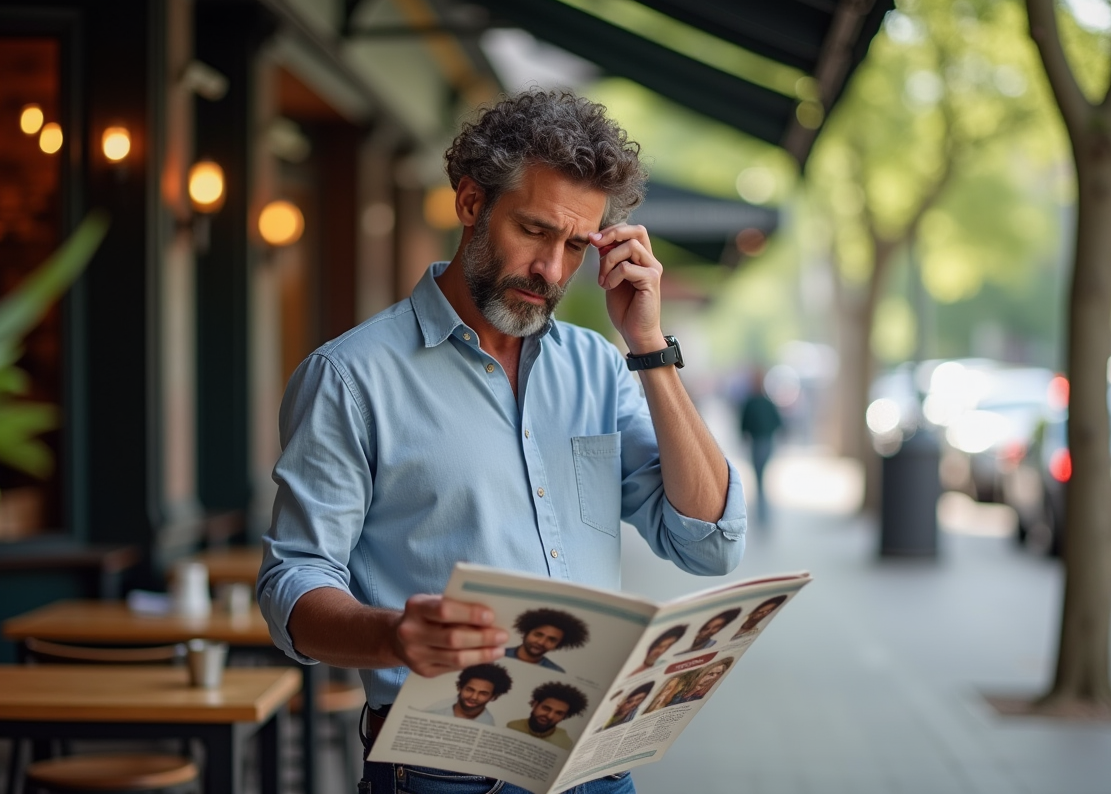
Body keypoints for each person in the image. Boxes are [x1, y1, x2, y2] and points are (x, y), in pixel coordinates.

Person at [258, 89, 748, 794]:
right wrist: (393, 635)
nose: (551, 270)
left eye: (577, 245)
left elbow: (708, 541)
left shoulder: (602, 367)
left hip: (595, 764)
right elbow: (291, 583)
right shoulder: (349, 377)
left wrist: (646, 345)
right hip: (442, 772)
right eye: (534, 230)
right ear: (469, 203)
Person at [739, 368, 782, 526]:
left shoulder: (763, 402)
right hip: (758, 443)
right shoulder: (753, 402)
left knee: (760, 477)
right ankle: (762, 513)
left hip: (764, 443)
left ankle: (763, 513)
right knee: (759, 478)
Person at [420, 663, 513, 725]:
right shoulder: (430, 714)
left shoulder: (490, 726)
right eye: (470, 690)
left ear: (493, 697)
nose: (474, 697)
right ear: (460, 688)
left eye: (483, 693)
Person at [506, 682, 588, 750]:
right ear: (535, 704)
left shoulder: (564, 743)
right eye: (546, 708)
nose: (550, 716)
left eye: (558, 713)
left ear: (565, 716)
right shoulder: (512, 727)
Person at [503, 608, 589, 672]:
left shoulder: (556, 672)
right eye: (538, 635)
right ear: (526, 633)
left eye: (552, 640)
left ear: (557, 645)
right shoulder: (497, 655)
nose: (541, 642)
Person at [666, 658, 733, 705]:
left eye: (718, 673)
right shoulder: (681, 686)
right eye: (710, 674)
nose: (714, 677)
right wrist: (687, 694)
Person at [675, 608, 740, 654]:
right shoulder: (679, 644)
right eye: (706, 627)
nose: (709, 630)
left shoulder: (714, 644)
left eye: (716, 627)